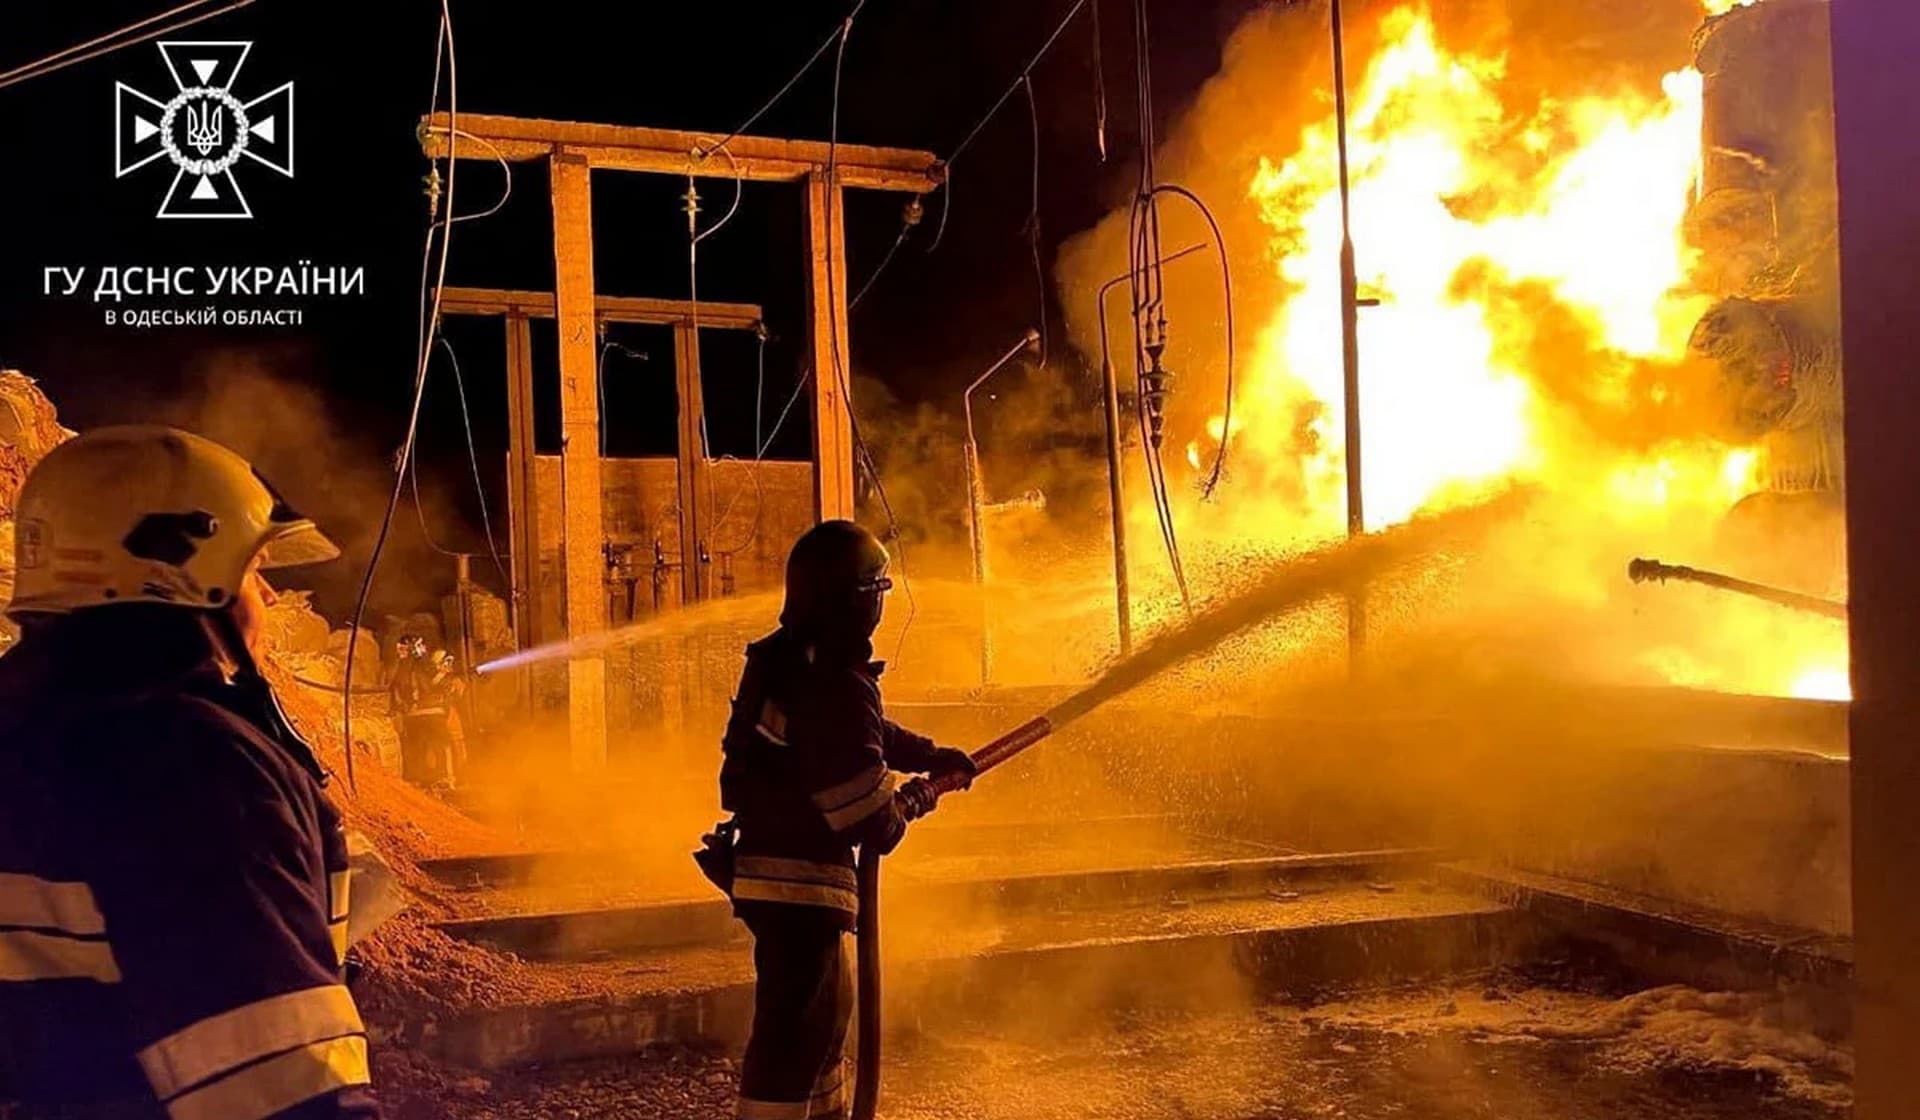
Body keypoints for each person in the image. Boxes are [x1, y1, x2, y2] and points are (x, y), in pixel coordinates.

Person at [0, 426, 376, 1119]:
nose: (264, 594)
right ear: (190, 571)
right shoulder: (190, 766)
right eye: (252, 570)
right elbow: (280, 1086)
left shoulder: (25, 723)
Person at [711, 519, 975, 1120]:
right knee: (797, 1033)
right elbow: (869, 819)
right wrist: (916, 798)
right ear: (857, 600)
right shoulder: (832, 679)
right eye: (878, 591)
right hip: (798, 884)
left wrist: (929, 757)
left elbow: (861, 735)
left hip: (772, 878)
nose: (882, 603)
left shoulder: (794, 660)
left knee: (823, 1021)